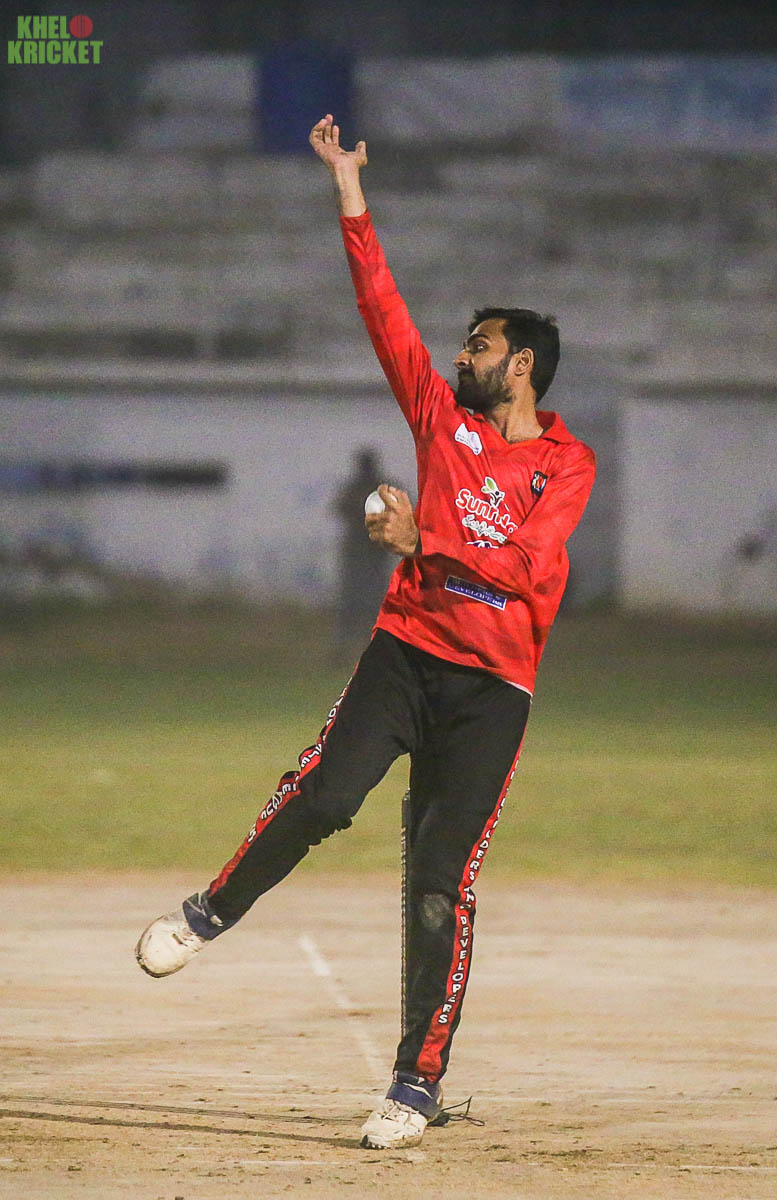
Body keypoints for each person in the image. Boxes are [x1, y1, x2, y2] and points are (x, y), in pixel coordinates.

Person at [135, 114, 596, 1150]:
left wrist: (424, 537)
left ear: (520, 364)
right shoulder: (442, 420)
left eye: (479, 345)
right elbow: (379, 305)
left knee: (440, 885)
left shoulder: (566, 465)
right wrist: (348, 187)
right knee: (325, 795)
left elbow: (533, 572)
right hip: (406, 654)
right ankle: (209, 912)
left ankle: (415, 1084)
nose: (460, 354)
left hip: (494, 693)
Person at [332, 446, 395, 662]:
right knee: (353, 604)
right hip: (361, 554)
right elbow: (341, 509)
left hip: (372, 554)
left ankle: (367, 648)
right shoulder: (374, 491)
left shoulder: (380, 491)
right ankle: (346, 649)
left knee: (371, 604)